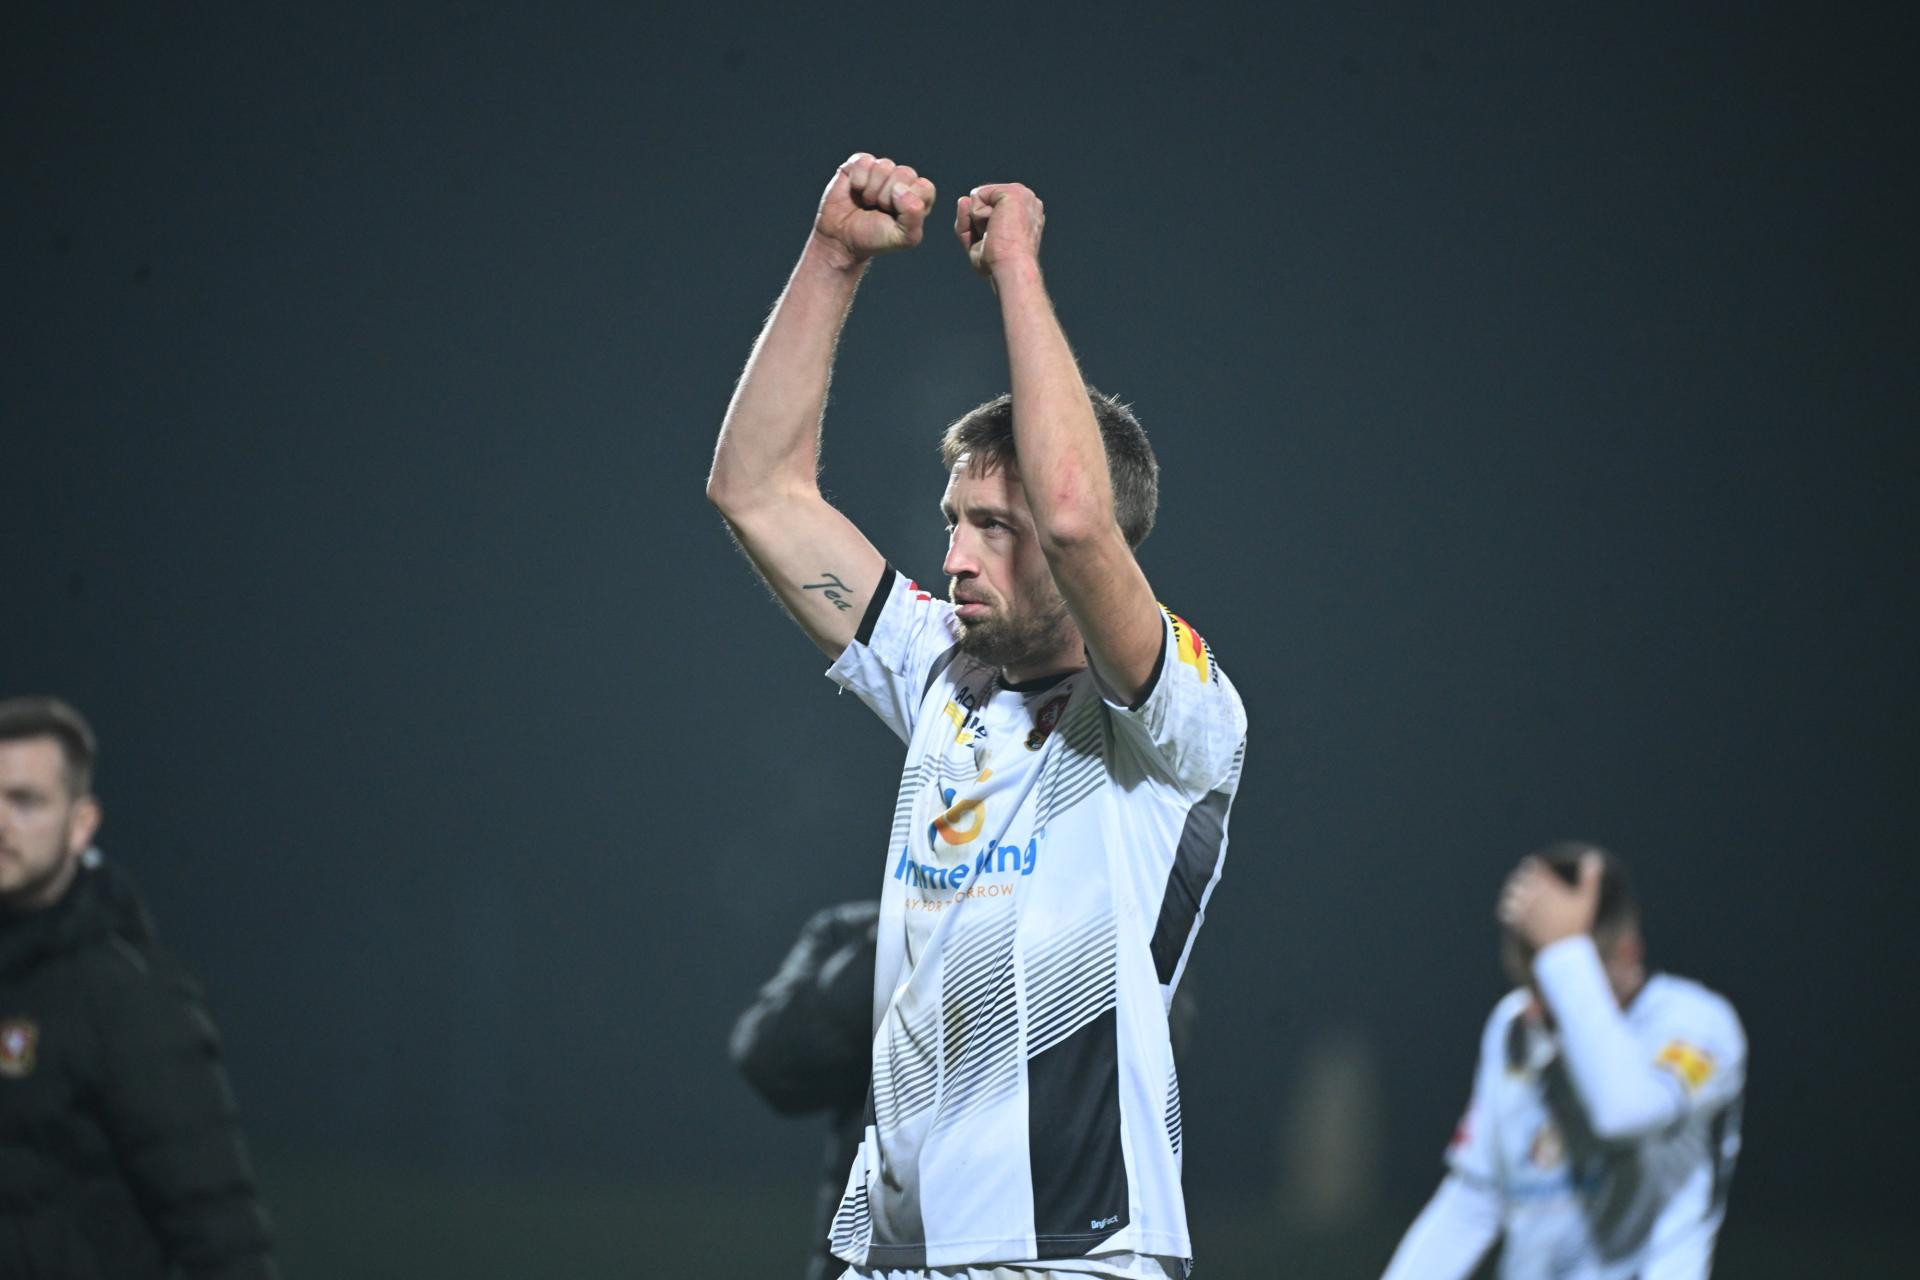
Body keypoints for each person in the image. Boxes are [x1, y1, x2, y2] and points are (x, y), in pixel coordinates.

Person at [706, 153, 1247, 1280]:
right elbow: (756, 490)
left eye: (992, 526)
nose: (953, 556)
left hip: (1073, 1255)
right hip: (894, 1253)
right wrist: (832, 256)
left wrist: (1016, 272)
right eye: (953, 519)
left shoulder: (1179, 721)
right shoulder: (945, 676)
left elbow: (1075, 516)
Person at [0, 696, 277, 1278]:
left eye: (25, 801)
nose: (1, 822)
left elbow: (221, 1232)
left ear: (81, 824)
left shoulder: (128, 997)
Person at [1381, 842, 1746, 1280]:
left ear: (1628, 953)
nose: (1536, 1008)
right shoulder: (1514, 1024)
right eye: (1531, 984)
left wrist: (1565, 955)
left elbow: (1624, 1112)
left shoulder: (1696, 1024)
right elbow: (1474, 1199)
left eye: (1553, 986)